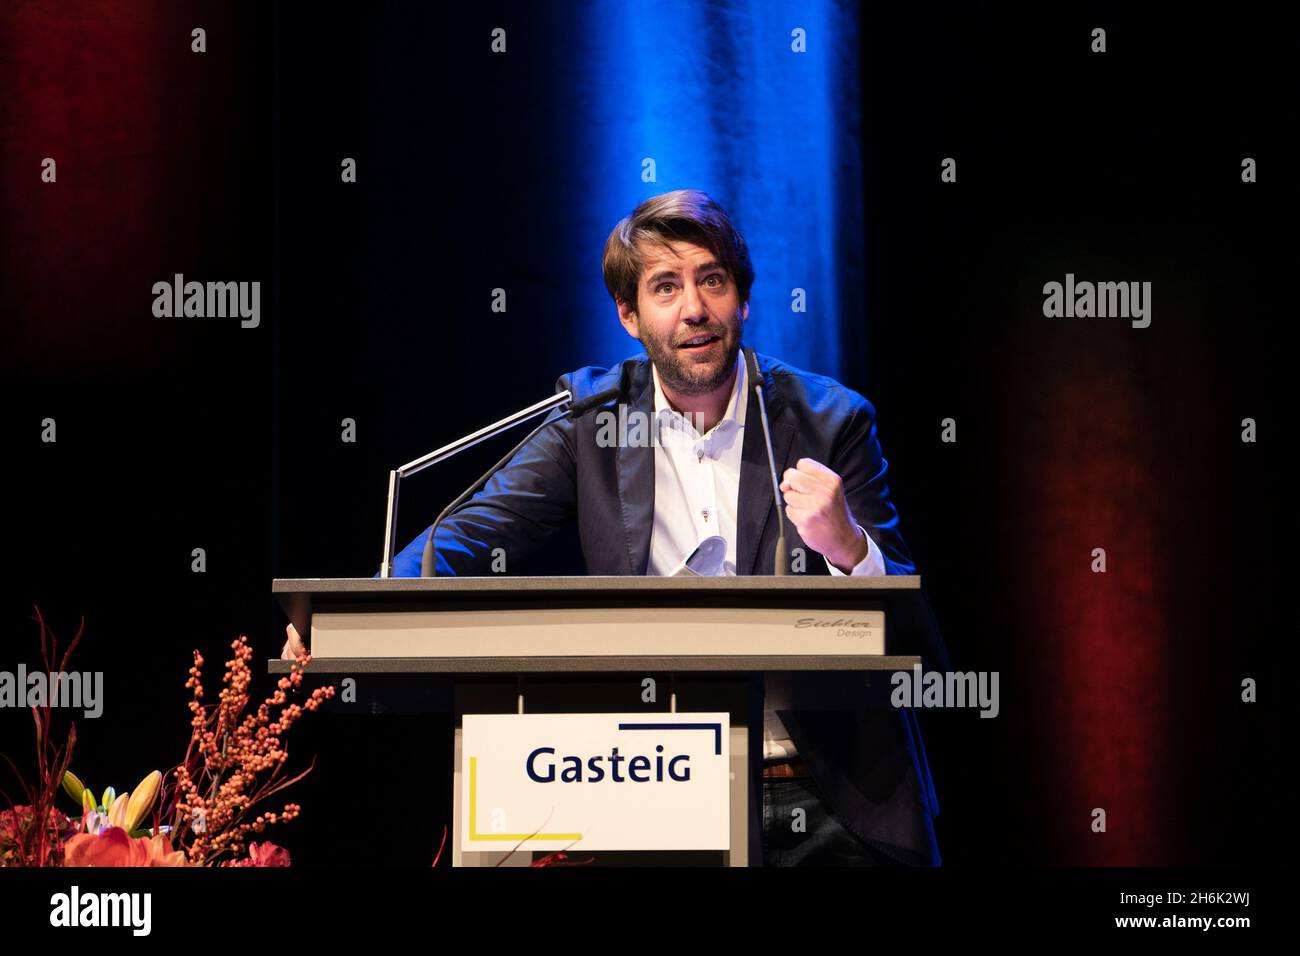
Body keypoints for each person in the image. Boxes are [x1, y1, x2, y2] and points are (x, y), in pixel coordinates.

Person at [283, 189, 944, 866]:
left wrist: (849, 549)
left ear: (742, 300)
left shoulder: (830, 420)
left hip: (830, 794)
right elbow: (467, 536)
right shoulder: (592, 421)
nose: (695, 308)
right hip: (662, 791)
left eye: (712, 281)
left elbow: (922, 649)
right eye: (666, 287)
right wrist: (355, 611)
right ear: (629, 315)